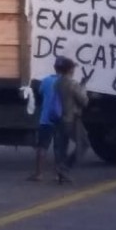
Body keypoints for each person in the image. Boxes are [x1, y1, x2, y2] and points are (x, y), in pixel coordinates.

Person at [54, 56, 89, 184]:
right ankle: (65, 168)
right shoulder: (72, 84)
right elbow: (84, 101)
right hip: (72, 119)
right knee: (84, 144)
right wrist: (83, 87)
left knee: (62, 147)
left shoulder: (57, 82)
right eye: (73, 67)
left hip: (59, 118)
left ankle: (60, 173)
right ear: (69, 69)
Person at [27, 61, 61, 182]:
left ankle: (39, 174)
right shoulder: (68, 83)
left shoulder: (47, 81)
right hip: (61, 120)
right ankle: (58, 175)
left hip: (46, 119)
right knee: (60, 148)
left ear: (55, 68)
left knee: (42, 147)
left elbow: (40, 92)